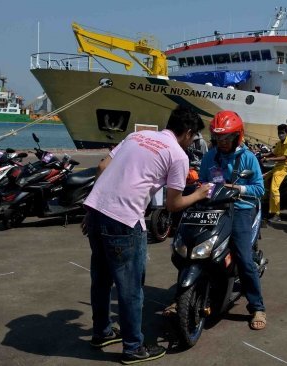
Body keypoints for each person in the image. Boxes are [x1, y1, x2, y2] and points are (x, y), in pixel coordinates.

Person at [82, 105, 211, 364]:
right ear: (187, 133)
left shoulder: (135, 136)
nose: (193, 142)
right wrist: (198, 194)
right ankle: (133, 348)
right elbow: (173, 205)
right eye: (194, 136)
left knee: (102, 280)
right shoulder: (177, 155)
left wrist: (93, 207)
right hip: (124, 221)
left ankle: (102, 332)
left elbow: (102, 165)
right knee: (130, 289)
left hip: (96, 211)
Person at [198, 110, 268, 330]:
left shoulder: (248, 158)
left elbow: (259, 189)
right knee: (193, 247)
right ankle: (184, 294)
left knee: (243, 256)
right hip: (215, 207)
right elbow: (202, 181)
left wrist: (237, 188)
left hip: (241, 209)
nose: (223, 142)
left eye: (227, 138)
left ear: (237, 136)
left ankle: (257, 306)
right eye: (219, 138)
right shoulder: (211, 156)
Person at [262, 124, 287, 222]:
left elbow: (285, 157)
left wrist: (269, 159)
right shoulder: (279, 143)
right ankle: (266, 205)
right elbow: (274, 153)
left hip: (285, 168)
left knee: (274, 188)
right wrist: (262, 154)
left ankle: (276, 214)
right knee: (263, 179)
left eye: (282, 133)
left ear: (286, 133)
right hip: (278, 167)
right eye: (279, 133)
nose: (280, 135)